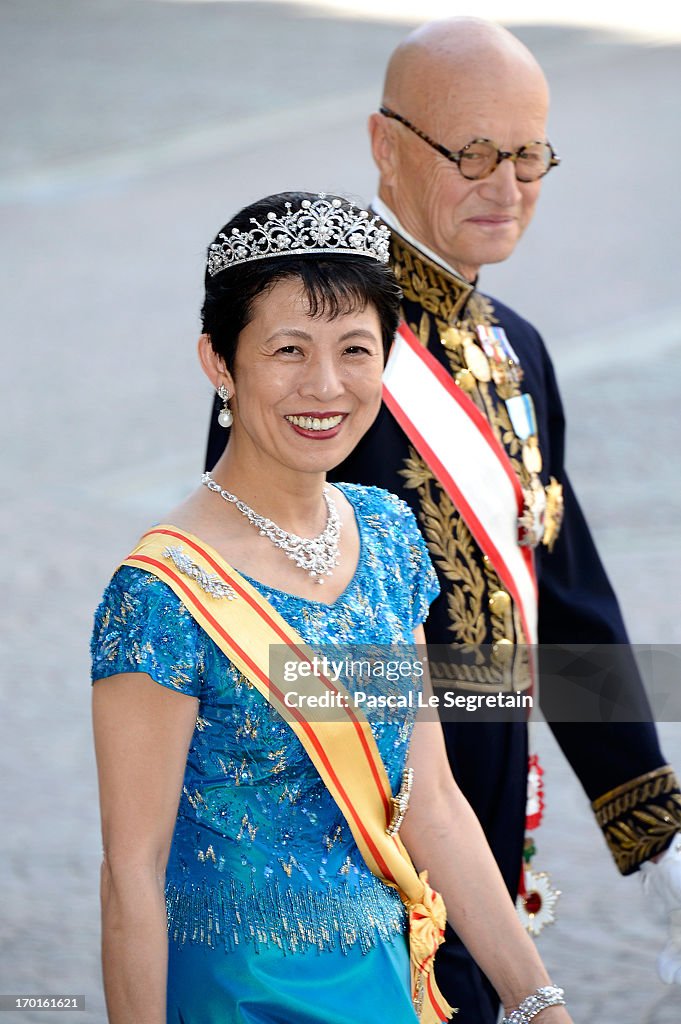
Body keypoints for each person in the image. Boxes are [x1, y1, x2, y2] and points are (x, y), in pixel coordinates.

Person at [202, 18, 681, 1024]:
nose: (505, 186)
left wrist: (655, 830)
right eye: (471, 152)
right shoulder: (322, 341)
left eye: (529, 155)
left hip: (493, 835)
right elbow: (261, 628)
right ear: (385, 144)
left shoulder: (520, 351)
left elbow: (570, 604)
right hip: (350, 853)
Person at [91, 192, 574, 1024]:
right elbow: (132, 871)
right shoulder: (161, 592)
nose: (325, 386)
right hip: (239, 998)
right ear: (218, 361)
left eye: (355, 349)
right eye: (287, 349)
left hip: (388, 986)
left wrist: (539, 1005)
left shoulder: (385, 534)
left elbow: (432, 805)